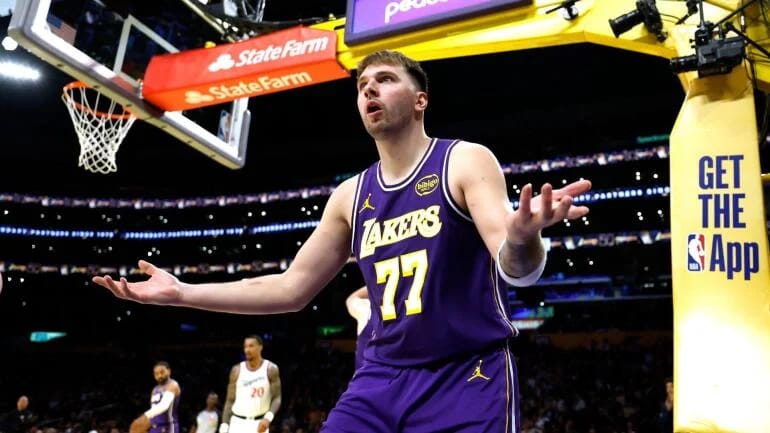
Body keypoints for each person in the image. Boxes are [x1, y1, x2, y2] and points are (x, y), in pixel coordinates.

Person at [93, 49, 592, 432]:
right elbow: (290, 289)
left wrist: (524, 238)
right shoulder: (350, 196)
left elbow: (517, 268)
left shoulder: (463, 160)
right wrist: (181, 293)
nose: (370, 88)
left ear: (420, 100)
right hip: (378, 378)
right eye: (362, 85)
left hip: (464, 373)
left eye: (386, 79)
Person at [219, 335, 281, 433]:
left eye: (251, 346)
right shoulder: (236, 370)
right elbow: (230, 400)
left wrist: (268, 418)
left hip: (260, 423)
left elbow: (277, 397)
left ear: (260, 347)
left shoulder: (271, 369)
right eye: (245, 346)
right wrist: (224, 426)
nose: (247, 350)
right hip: (237, 423)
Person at [131, 361, 182, 433]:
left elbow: (163, 406)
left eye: (162, 372)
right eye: (156, 374)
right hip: (155, 426)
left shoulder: (173, 385)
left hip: (169, 426)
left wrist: (144, 416)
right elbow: (153, 410)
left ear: (169, 371)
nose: (159, 376)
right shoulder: (155, 389)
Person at [345, 286, 371, 372]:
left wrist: (378, 284)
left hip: (365, 379)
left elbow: (351, 299)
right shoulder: (407, 320)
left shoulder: (366, 309)